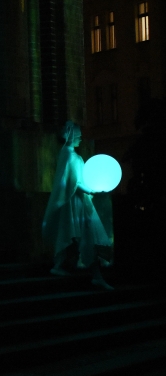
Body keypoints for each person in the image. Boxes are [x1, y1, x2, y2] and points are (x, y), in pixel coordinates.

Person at [42, 121, 114, 290]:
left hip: (77, 202)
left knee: (78, 235)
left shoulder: (69, 155)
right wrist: (92, 190)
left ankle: (68, 267)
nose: (81, 138)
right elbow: (73, 182)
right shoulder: (69, 156)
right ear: (71, 136)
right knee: (84, 235)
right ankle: (93, 275)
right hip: (76, 203)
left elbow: (73, 181)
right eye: (78, 135)